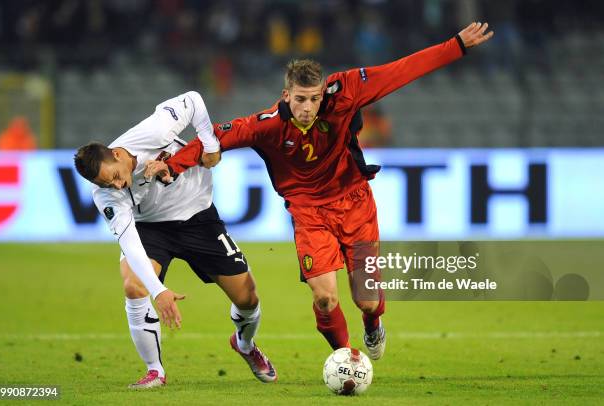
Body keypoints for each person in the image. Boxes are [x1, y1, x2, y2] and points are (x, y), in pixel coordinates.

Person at [148, 23, 494, 360]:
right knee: (325, 299)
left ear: (323, 91)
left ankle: (373, 324)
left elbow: (400, 71)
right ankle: (346, 359)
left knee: (367, 300)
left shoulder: (346, 91)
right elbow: (216, 138)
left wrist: (457, 45)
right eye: (300, 99)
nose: (308, 108)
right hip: (309, 214)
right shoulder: (267, 125)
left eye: (314, 99)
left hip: (355, 203)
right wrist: (172, 164)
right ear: (287, 95)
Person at [73, 91, 277, 389]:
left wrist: (209, 144)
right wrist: (158, 291)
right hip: (151, 228)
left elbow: (193, 100)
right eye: (108, 184)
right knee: (133, 284)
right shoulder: (106, 195)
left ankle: (245, 344)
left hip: (198, 216)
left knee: (247, 297)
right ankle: (155, 370)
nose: (117, 185)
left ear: (116, 154)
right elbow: (130, 244)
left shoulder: (153, 132)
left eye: (115, 176)